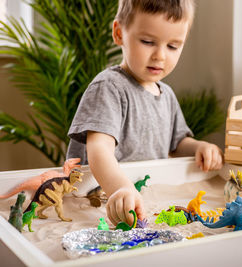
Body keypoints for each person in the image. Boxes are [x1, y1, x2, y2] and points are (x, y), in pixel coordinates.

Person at [66, 0, 224, 227]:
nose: (160, 55)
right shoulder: (109, 87)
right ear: (119, 33)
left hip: (147, 195)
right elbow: (99, 150)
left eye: (173, 46)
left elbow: (178, 142)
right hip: (100, 197)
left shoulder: (166, 94)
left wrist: (199, 147)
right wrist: (120, 188)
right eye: (148, 42)